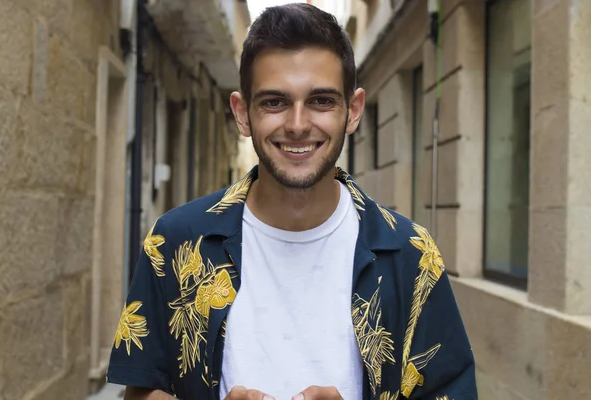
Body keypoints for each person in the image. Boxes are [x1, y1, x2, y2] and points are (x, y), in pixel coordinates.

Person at [107, 3, 477, 400]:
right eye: (274, 102)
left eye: (321, 101)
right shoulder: (176, 242)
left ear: (351, 111)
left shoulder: (411, 256)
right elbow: (141, 391)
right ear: (242, 113)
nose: (298, 125)